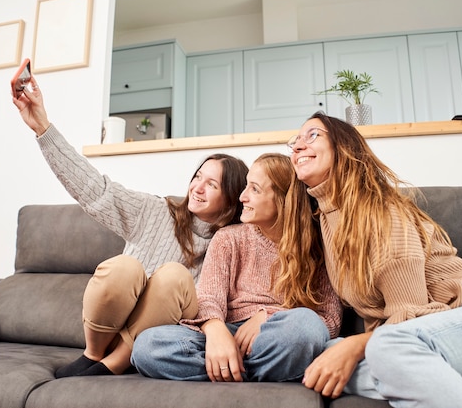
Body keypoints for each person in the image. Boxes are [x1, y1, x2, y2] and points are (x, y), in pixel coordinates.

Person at [284, 110, 462, 407]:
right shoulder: (323, 220)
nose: (297, 146)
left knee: (383, 348)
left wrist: (357, 347)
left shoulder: (382, 211)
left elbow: (409, 312)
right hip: (414, 342)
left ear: (343, 148)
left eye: (312, 135)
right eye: (295, 140)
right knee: (316, 360)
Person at [12, 75, 249, 378]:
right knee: (125, 267)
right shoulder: (154, 210)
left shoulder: (230, 242)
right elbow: (94, 189)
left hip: (150, 342)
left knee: (175, 277)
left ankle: (114, 364)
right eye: (197, 176)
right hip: (107, 326)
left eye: (211, 184)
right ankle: (93, 355)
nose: (197, 187)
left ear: (230, 201)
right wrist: (42, 128)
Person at [131, 153, 343, 382]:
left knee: (304, 327)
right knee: (147, 346)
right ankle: (254, 367)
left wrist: (266, 316)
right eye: (245, 187)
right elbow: (208, 298)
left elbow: (329, 320)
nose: (242, 196)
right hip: (229, 333)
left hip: (279, 333)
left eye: (255, 189)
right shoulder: (228, 238)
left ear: (283, 200)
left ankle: (229, 370)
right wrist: (216, 332)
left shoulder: (318, 247)